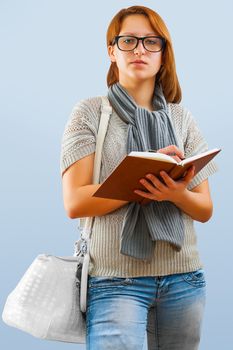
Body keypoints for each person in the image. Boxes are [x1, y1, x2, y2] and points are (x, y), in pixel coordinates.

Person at [60, 5, 218, 350]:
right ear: (111, 51)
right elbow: (75, 202)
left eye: (150, 42)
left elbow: (204, 209)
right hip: (115, 281)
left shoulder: (181, 117)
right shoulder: (89, 112)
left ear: (164, 54)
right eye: (128, 41)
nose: (140, 50)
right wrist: (143, 178)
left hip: (184, 279)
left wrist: (174, 193)